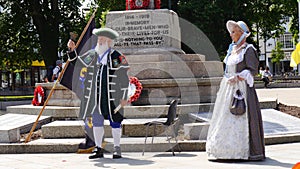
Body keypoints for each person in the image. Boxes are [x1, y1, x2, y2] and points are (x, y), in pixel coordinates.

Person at [206, 20, 265, 161]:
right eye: (231, 32)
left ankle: (245, 151)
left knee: (243, 116)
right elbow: (228, 69)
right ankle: (224, 151)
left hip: (243, 89)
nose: (231, 35)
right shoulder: (231, 50)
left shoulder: (249, 49)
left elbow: (253, 71)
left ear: (242, 33)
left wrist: (238, 77)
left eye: (234, 32)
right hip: (228, 89)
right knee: (223, 116)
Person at [67, 27, 130, 159]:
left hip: (113, 97)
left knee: (115, 122)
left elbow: (124, 78)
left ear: (109, 41)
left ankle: (117, 148)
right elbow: (77, 64)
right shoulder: (92, 54)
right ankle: (98, 148)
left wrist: (124, 97)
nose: (99, 41)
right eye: (99, 39)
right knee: (97, 122)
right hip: (95, 97)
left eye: (102, 39)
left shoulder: (117, 56)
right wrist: (72, 51)